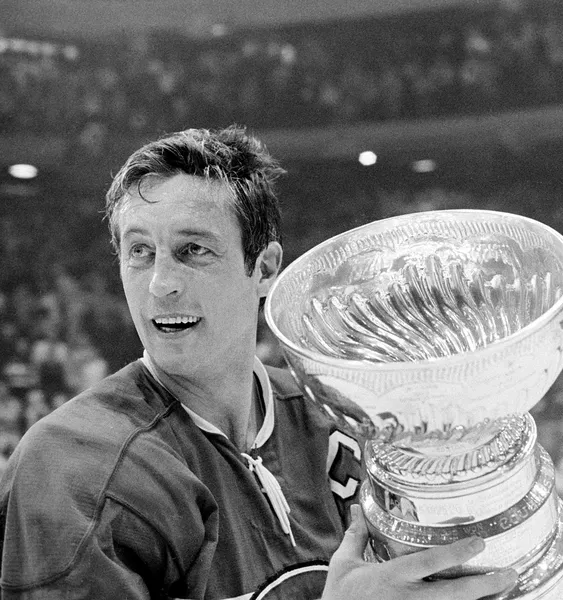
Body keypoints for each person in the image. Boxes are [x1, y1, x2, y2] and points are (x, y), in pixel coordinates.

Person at [0, 126, 517, 600]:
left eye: (193, 250)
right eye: (139, 252)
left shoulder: (335, 418)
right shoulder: (72, 468)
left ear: (265, 268)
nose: (160, 283)